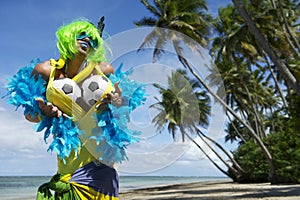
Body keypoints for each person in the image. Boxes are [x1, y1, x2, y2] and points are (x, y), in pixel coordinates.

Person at [5, 17, 146, 199]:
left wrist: (119, 102)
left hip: (103, 161)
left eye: (91, 38)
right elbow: (29, 115)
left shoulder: (105, 71)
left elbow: (125, 108)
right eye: (81, 35)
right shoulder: (46, 71)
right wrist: (44, 113)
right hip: (71, 162)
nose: (86, 39)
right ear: (67, 38)